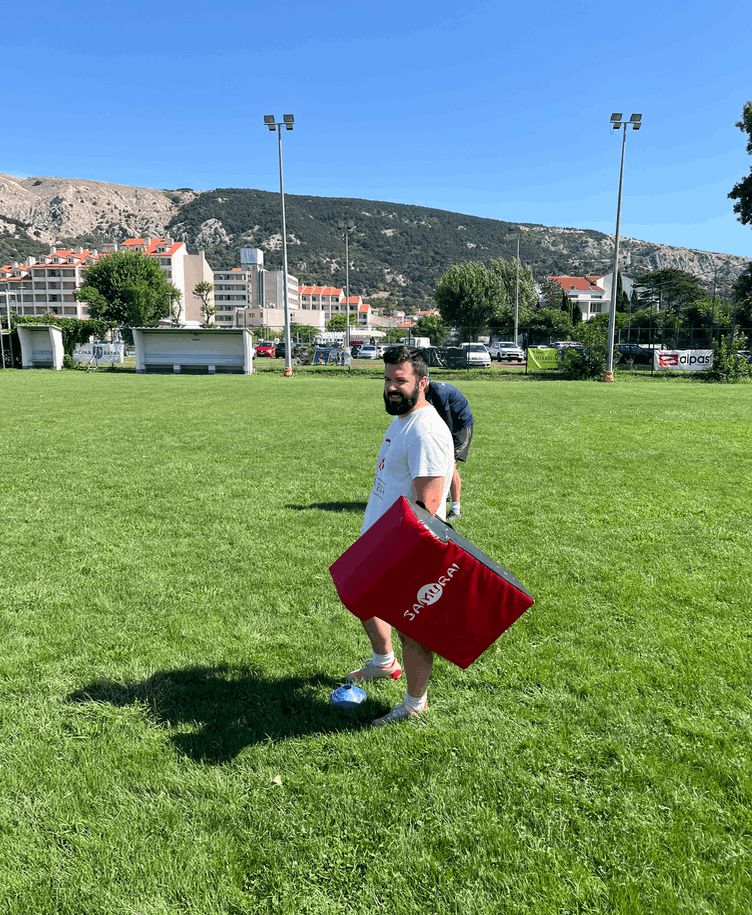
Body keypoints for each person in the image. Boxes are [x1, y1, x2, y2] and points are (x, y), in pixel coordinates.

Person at [346, 346, 454, 726]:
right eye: (387, 379)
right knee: (356, 593)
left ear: (422, 383)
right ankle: (383, 662)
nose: (391, 387)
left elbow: (426, 507)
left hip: (406, 547)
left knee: (413, 628)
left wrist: (396, 557)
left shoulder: (426, 432)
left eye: (400, 380)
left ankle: (414, 703)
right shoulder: (403, 419)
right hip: (378, 537)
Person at [422, 375, 474, 521]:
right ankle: (443, 496)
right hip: (452, 426)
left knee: (450, 466)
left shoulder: (439, 392)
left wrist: (446, 443)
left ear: (425, 381)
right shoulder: (428, 392)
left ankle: (456, 509)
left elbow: (447, 420)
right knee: (441, 461)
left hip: (461, 427)